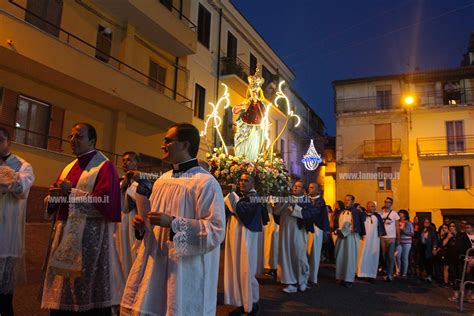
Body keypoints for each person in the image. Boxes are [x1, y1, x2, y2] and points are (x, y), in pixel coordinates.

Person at [121, 123, 226, 315]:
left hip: (184, 270)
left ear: (185, 145)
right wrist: (142, 226)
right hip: (156, 264)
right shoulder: (163, 180)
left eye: (168, 140)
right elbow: (152, 220)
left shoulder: (205, 182)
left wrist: (173, 223)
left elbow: (216, 230)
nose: (163, 145)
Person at [41, 123, 124, 314]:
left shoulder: (105, 167)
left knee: (86, 290)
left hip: (90, 238)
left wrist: (71, 192)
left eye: (78, 136)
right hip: (64, 234)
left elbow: (107, 203)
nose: (72, 141)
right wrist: (53, 199)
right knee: (63, 291)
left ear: (92, 141)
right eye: (71, 136)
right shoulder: (68, 168)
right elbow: (57, 196)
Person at [0, 127, 35, 316]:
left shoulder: (22, 165)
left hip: (7, 231)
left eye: (0, 139)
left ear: (9, 142)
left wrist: (7, 179)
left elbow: (21, 187)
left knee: (4, 296)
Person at [224, 173, 266, 315]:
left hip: (247, 235)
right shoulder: (240, 196)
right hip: (235, 234)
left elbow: (244, 212)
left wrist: (231, 196)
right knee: (236, 268)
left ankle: (252, 304)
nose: (242, 183)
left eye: (246, 180)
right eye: (241, 180)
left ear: (252, 184)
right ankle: (241, 302)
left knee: (246, 269)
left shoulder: (255, 197)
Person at [276, 180, 319, 293]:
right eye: (294, 186)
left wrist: (296, 208)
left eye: (298, 186)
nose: (295, 188)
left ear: (304, 190)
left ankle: (302, 280)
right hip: (285, 232)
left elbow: (311, 214)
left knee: (299, 256)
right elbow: (276, 212)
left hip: (299, 232)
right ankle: (290, 282)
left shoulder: (306, 201)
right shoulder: (286, 199)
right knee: (286, 256)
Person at [116, 151, 152, 276]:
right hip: (121, 222)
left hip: (134, 221)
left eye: (129, 160)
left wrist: (134, 185)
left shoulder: (143, 180)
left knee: (132, 254)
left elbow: (146, 200)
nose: (125, 162)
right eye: (123, 160)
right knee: (121, 254)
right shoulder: (121, 182)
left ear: (137, 163)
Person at [334, 194, 363, 288]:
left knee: (350, 258)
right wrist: (338, 230)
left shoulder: (356, 212)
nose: (346, 201)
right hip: (342, 237)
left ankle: (349, 279)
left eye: (348, 200)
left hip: (351, 238)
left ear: (353, 202)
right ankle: (341, 277)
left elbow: (357, 226)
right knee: (341, 257)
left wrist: (349, 230)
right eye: (345, 200)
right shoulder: (342, 212)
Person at [307, 183, 330, 285]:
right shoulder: (307, 199)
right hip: (307, 229)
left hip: (316, 229)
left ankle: (312, 277)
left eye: (312, 188)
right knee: (306, 253)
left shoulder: (320, 201)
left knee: (314, 253)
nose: (309, 189)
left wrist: (326, 231)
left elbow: (316, 213)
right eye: (309, 187)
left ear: (317, 190)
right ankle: (305, 274)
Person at [357, 202, 385, 282]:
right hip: (364, 239)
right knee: (362, 255)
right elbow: (358, 225)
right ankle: (361, 273)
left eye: (374, 206)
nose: (374, 208)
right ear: (367, 206)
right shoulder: (361, 215)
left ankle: (371, 275)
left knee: (373, 256)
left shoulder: (377, 216)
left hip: (374, 240)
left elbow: (381, 228)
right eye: (372, 206)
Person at [379, 197, 400, 281]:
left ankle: (389, 275)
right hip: (382, 237)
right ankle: (387, 270)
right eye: (386, 202)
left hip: (391, 237)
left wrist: (398, 239)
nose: (387, 203)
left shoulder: (394, 214)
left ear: (391, 204)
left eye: (389, 202)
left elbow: (397, 226)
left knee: (390, 256)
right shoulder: (380, 214)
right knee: (384, 256)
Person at [418, 218, 438, 283]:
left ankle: (429, 276)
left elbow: (435, 240)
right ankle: (423, 275)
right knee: (422, 261)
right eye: (425, 222)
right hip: (422, 247)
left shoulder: (432, 230)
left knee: (429, 262)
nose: (426, 223)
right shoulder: (421, 229)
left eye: (427, 222)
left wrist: (434, 248)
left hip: (429, 248)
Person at [395, 209, 414, 278]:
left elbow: (412, 233)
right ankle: (398, 271)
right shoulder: (397, 222)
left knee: (404, 257)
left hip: (407, 242)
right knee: (397, 256)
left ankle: (404, 273)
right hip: (399, 241)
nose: (400, 214)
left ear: (405, 215)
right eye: (399, 213)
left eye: (401, 213)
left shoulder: (409, 223)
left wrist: (404, 231)